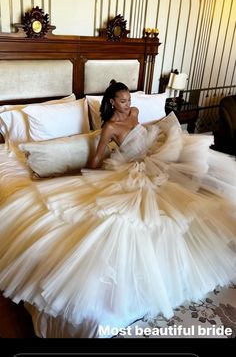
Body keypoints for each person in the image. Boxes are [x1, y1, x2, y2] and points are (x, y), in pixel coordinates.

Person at [0, 80, 235, 338]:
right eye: (123, 101)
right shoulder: (110, 127)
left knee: (199, 192)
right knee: (129, 218)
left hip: (156, 161)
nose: (128, 105)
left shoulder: (135, 113)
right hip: (132, 170)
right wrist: (75, 173)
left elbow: (144, 135)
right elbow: (97, 158)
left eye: (129, 100)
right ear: (112, 102)